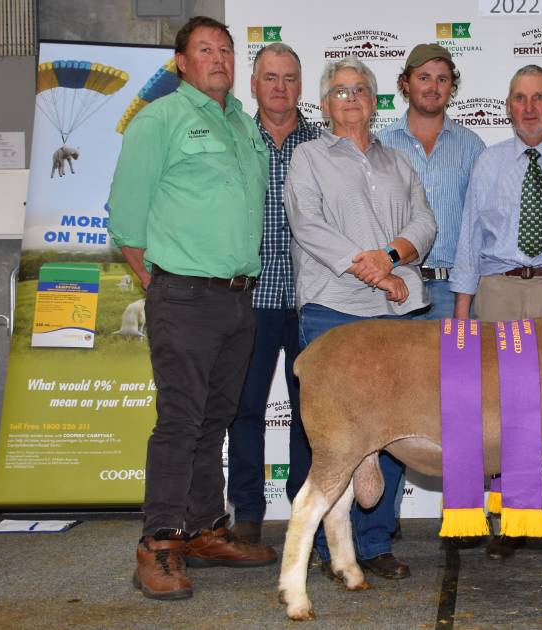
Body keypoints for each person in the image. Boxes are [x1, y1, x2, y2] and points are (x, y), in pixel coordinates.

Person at [108, 16, 277, 601]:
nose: (219, 59)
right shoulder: (159, 120)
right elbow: (127, 221)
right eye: (205, 50)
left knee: (215, 420)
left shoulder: (241, 124)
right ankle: (157, 544)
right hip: (183, 293)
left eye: (226, 51)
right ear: (181, 61)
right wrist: (165, 285)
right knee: (181, 421)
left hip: (237, 297)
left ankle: (205, 529)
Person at [285, 56, 437, 579]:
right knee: (336, 436)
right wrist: (374, 271)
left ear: (376, 102)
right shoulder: (307, 158)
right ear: (325, 104)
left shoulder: (399, 161)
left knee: (398, 431)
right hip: (335, 311)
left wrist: (391, 258)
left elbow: (425, 222)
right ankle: (331, 550)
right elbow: (309, 225)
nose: (352, 98)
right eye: (341, 91)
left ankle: (374, 544)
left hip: (400, 313)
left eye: (361, 90)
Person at [450, 64, 542, 562]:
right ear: (507, 106)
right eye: (520, 98)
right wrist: (462, 315)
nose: (529, 108)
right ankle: (510, 521)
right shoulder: (489, 162)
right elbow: (468, 239)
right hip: (498, 290)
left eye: (539, 97)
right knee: (500, 411)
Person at [226, 43, 324, 544]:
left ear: (301, 87)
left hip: (311, 302)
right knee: (246, 410)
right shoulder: (236, 138)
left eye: (289, 78)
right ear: (254, 85)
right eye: (270, 77)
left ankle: (303, 506)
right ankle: (246, 510)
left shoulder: (322, 144)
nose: (280, 87)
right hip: (253, 301)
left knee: (311, 413)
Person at [379, 43, 485, 321]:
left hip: (454, 291)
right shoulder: (381, 144)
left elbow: (481, 224)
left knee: (454, 367)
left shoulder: (472, 147)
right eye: (423, 77)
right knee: (395, 366)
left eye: (442, 79)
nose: (433, 87)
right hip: (394, 287)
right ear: (405, 83)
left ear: (452, 86)